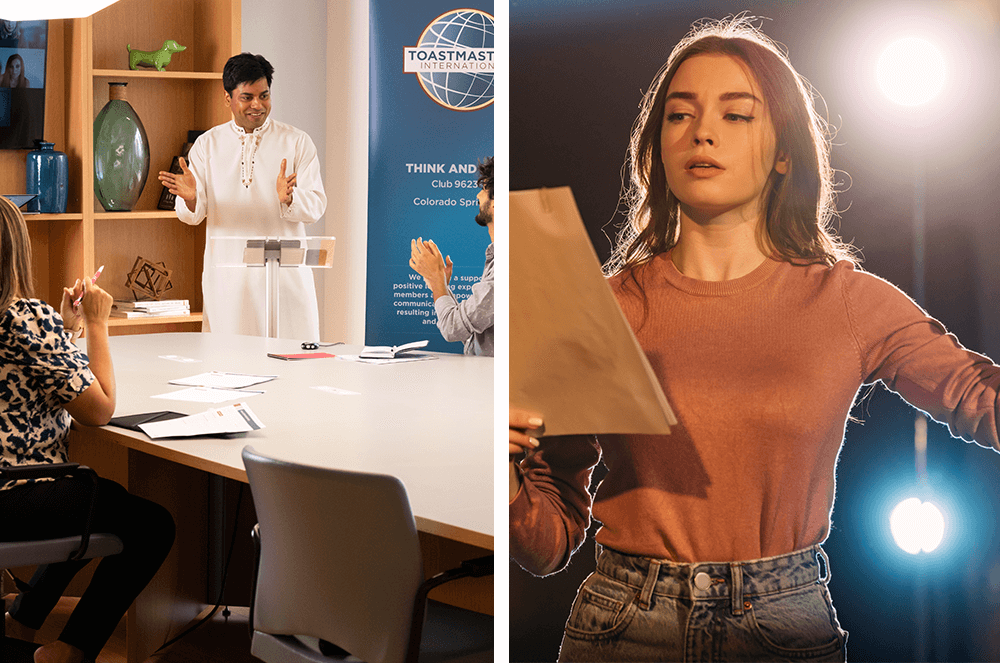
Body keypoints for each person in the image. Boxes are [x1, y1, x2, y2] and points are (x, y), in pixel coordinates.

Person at [509, 16, 1000, 662]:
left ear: (784, 152)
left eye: (736, 115)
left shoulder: (847, 302)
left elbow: (976, 393)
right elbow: (549, 541)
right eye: (679, 116)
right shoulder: (606, 307)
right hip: (623, 624)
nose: (702, 132)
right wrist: (508, 470)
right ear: (658, 146)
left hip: (783, 626)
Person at [0, 196, 175, 663]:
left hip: (9, 487)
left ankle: (22, 619)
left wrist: (63, 329)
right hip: (13, 495)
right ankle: (70, 651)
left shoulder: (33, 325)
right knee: (150, 523)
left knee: (87, 493)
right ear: (15, 252)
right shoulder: (22, 318)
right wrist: (97, 324)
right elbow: (98, 410)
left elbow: (28, 375)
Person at [157, 52, 327, 339]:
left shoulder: (297, 142)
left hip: (286, 281)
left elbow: (316, 206)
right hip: (229, 281)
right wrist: (190, 197)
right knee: (231, 366)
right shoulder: (207, 145)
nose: (257, 105)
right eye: (247, 97)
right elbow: (193, 216)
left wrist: (290, 198)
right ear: (228, 98)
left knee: (294, 364)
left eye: (264, 95)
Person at [409, 157, 494, 356]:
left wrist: (437, 280)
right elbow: (470, 333)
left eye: (485, 188)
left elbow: (452, 329)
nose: (478, 195)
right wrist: (440, 285)